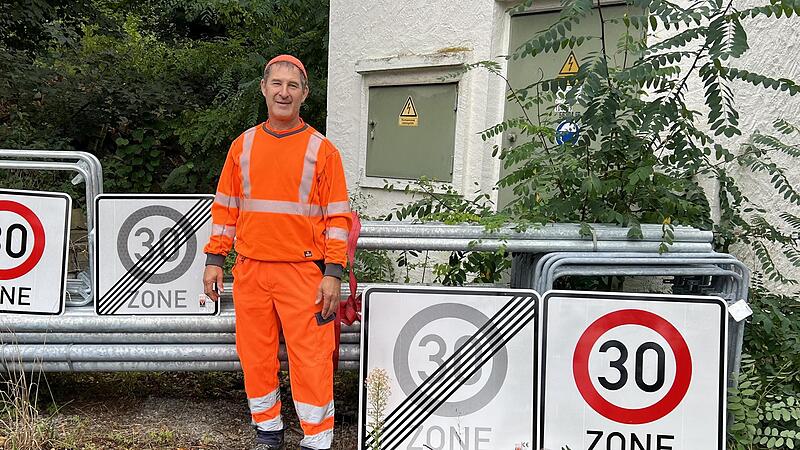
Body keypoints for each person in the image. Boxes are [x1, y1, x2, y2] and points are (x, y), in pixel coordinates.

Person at [202, 54, 352, 450]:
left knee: (311, 359)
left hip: (303, 272)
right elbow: (225, 209)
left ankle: (317, 440)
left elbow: (338, 218)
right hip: (250, 271)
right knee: (255, 356)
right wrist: (215, 261)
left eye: (293, 85)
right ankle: (267, 432)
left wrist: (333, 272)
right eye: (277, 84)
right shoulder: (242, 147)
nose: (284, 92)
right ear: (264, 88)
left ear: (304, 93)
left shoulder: (323, 151)